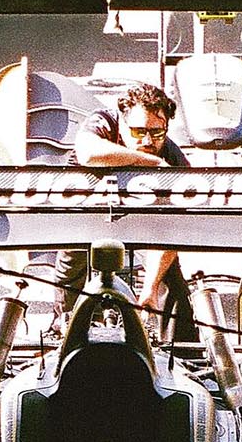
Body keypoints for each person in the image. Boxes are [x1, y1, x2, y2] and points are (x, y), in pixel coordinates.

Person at [53, 82, 195, 336]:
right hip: (86, 210)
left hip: (144, 219)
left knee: (172, 287)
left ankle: (184, 353)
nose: (148, 140)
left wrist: (150, 288)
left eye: (157, 132)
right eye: (139, 131)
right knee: (71, 264)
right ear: (122, 120)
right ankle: (62, 332)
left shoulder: (175, 161)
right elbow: (87, 153)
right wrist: (148, 161)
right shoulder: (104, 122)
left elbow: (171, 232)